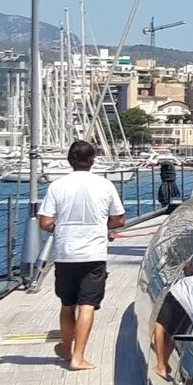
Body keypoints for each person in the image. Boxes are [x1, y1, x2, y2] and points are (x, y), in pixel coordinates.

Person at [36, 138, 125, 371]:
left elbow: (45, 222)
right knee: (87, 305)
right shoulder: (105, 185)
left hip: (66, 253)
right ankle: (79, 357)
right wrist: (102, 226)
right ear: (92, 161)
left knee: (67, 304)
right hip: (94, 253)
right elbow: (119, 219)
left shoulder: (57, 186)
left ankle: (66, 348)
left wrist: (61, 227)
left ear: (70, 161)